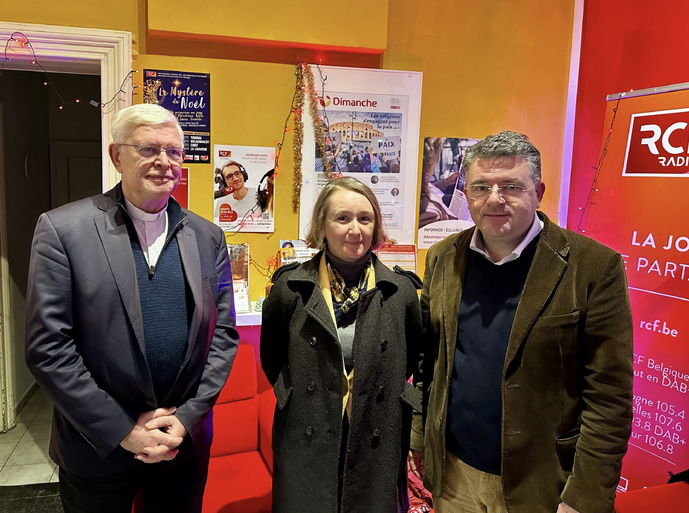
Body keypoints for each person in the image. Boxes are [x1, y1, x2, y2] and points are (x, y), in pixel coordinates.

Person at [25, 103, 239, 513]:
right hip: (97, 450)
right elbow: (48, 349)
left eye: (174, 151)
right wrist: (124, 430)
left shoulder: (208, 236)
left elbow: (223, 335)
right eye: (148, 149)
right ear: (116, 156)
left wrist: (186, 419)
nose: (164, 162)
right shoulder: (62, 230)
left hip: (182, 447)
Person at [410, 131, 633, 513]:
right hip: (453, 475)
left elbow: (609, 397)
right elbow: (427, 361)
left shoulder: (594, 268)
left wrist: (586, 496)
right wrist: (418, 437)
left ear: (538, 191)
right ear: (466, 192)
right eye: (480, 187)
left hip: (543, 484)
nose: (494, 199)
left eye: (511, 186)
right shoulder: (443, 256)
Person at [260, 176, 423, 513]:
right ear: (322, 223)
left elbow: (408, 359)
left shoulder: (400, 292)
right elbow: (272, 359)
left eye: (365, 218)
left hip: (375, 430)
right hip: (307, 430)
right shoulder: (290, 289)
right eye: (342, 218)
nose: (355, 229)